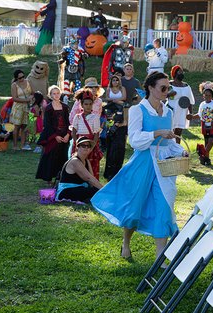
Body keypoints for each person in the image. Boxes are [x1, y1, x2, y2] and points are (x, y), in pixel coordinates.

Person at [91, 72, 188, 260]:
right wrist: (156, 133)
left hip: (163, 167)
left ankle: (160, 257)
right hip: (143, 165)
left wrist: (180, 152)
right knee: (135, 207)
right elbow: (134, 141)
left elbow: (170, 143)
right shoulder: (137, 110)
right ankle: (126, 243)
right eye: (163, 88)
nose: (166, 92)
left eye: (169, 89)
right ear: (150, 88)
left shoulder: (169, 111)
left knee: (164, 206)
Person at [36, 85, 70, 184]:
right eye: (54, 93)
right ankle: (49, 178)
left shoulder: (65, 107)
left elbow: (69, 122)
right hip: (53, 136)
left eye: (58, 93)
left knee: (63, 157)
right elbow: (47, 124)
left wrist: (68, 134)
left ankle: (61, 178)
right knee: (50, 156)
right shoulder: (48, 108)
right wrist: (55, 136)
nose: (56, 95)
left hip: (64, 136)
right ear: (50, 95)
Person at [187, 81, 213, 166]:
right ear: (203, 96)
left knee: (211, 142)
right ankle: (206, 159)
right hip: (204, 124)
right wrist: (192, 117)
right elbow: (199, 115)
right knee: (206, 142)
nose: (207, 97)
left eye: (209, 95)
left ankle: (202, 154)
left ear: (212, 96)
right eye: (206, 95)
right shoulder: (202, 105)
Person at [55, 137, 102, 203]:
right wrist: (104, 190)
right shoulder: (75, 161)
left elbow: (92, 179)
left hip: (78, 189)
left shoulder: (87, 161)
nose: (86, 148)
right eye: (83, 146)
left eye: (88, 146)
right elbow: (89, 178)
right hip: (66, 191)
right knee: (95, 191)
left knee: (95, 190)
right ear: (77, 147)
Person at [72, 89, 102, 180]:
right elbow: (74, 131)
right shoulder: (77, 117)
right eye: (86, 104)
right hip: (79, 142)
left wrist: (92, 146)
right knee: (79, 162)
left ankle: (91, 182)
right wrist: (76, 143)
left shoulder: (95, 117)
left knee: (91, 164)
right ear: (81, 105)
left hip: (90, 143)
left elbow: (96, 133)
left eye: (90, 104)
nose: (88, 106)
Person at [168, 65, 195, 143]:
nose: (182, 73)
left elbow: (189, 100)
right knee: (170, 131)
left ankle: (177, 149)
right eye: (180, 71)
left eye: (182, 72)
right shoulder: (169, 85)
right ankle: (170, 148)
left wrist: (191, 113)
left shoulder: (186, 86)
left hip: (183, 112)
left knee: (178, 132)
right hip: (172, 111)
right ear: (175, 73)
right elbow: (162, 96)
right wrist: (169, 94)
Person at [10, 69, 33, 151]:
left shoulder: (28, 82)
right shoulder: (14, 85)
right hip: (18, 108)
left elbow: (32, 92)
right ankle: (15, 145)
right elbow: (15, 98)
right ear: (16, 78)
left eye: (23, 77)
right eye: (20, 78)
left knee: (24, 126)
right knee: (17, 127)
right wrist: (26, 100)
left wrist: (32, 97)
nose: (22, 79)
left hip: (27, 107)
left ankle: (23, 145)